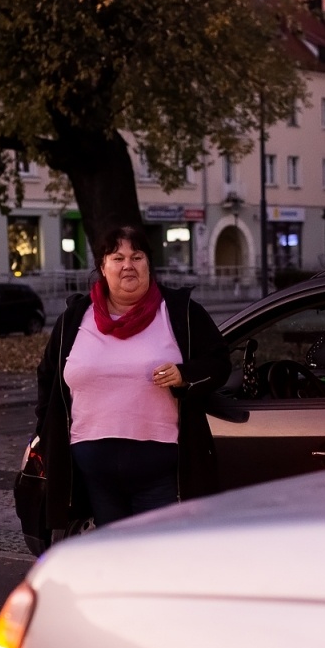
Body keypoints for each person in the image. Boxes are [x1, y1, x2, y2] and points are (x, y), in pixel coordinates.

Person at [35, 225, 230, 528]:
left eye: (137, 257)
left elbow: (219, 363)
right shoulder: (75, 318)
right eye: (117, 257)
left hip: (160, 470)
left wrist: (184, 375)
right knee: (116, 560)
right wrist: (45, 434)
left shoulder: (180, 312)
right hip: (92, 473)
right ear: (102, 267)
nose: (128, 265)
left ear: (149, 265)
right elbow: (48, 379)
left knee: (157, 558)